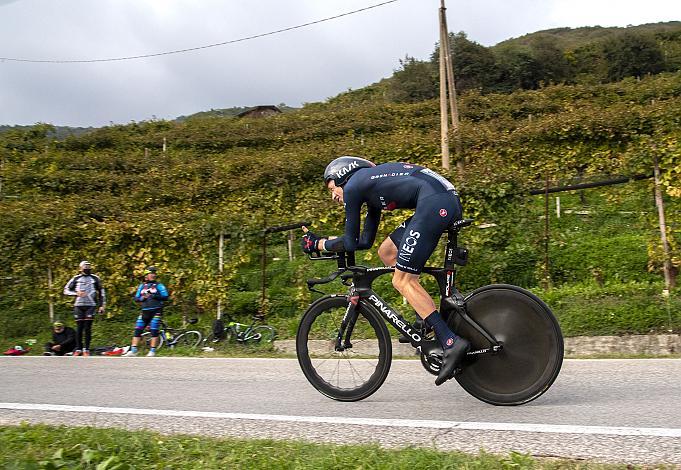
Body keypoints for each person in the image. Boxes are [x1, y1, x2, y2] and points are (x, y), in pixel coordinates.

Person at [301, 156, 471, 386]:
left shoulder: (353, 187)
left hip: (435, 203)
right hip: (440, 199)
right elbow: (363, 242)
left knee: (402, 281)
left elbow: (350, 242)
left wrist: (317, 244)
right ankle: (428, 316)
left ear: (343, 176)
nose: (333, 196)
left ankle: (450, 341)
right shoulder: (369, 187)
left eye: (332, 188)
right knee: (388, 252)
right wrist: (325, 241)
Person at [123, 266, 169, 357]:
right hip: (145, 311)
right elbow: (136, 298)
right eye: (151, 273)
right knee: (137, 330)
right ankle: (133, 350)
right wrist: (142, 298)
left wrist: (154, 295)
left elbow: (166, 297)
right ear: (146, 276)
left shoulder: (159, 285)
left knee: (154, 331)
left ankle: (152, 351)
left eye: (154, 273)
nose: (153, 275)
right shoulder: (142, 286)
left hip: (156, 310)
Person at [63, 260, 106, 357]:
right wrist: (76, 293)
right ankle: (78, 349)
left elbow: (101, 292)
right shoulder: (76, 278)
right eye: (85, 267)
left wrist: (102, 305)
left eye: (89, 267)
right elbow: (66, 290)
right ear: (80, 268)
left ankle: (86, 349)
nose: (87, 269)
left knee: (87, 328)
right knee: (79, 328)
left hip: (91, 305)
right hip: (78, 305)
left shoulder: (95, 278)